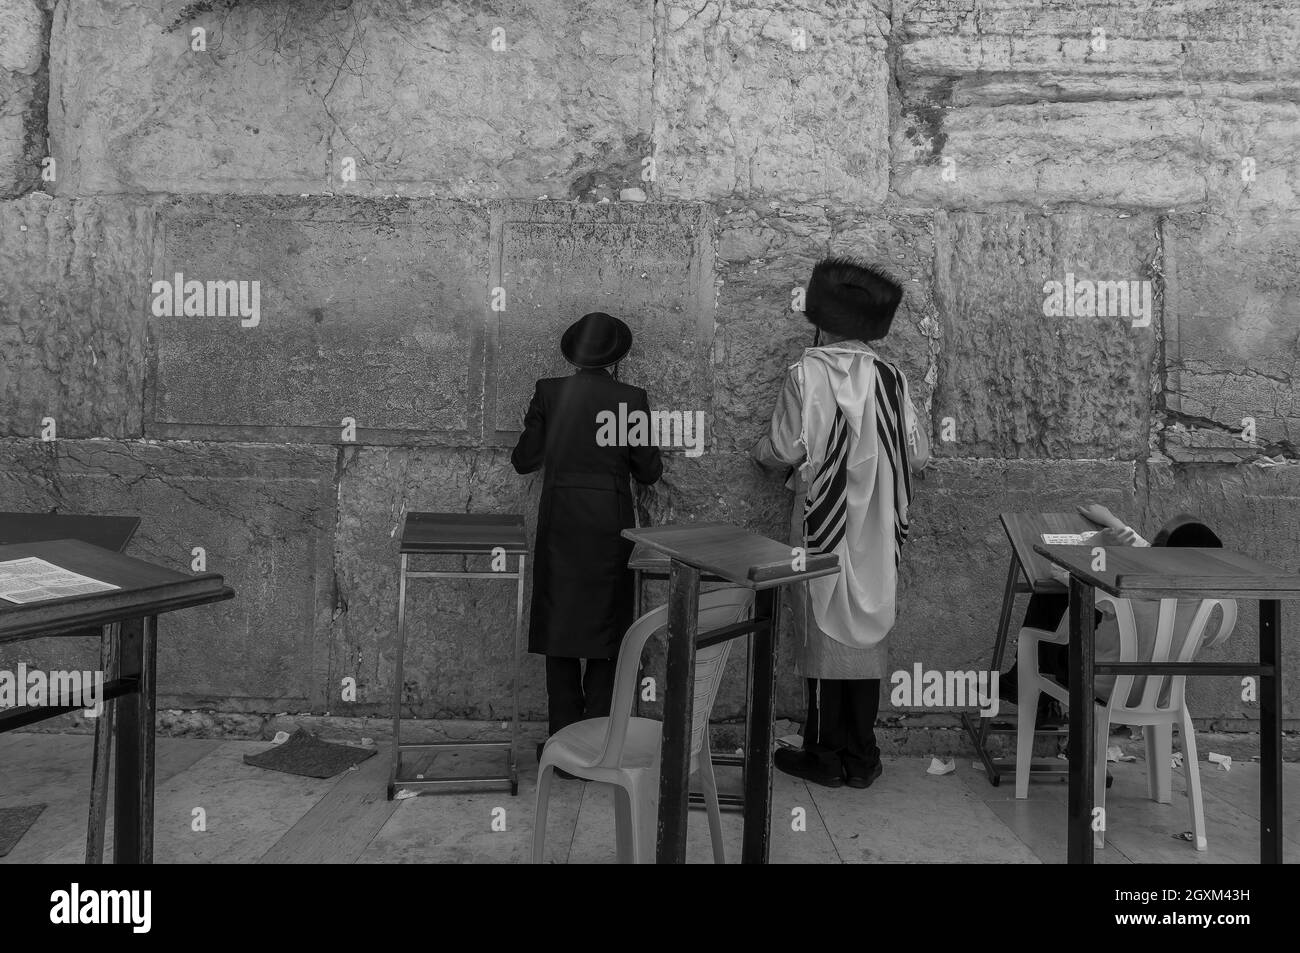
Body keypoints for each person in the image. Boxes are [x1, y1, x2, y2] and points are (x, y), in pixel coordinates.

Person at [751, 257, 930, 789]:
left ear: (823, 322)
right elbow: (918, 456)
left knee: (821, 623)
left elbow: (784, 448)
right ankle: (864, 754)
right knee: (868, 626)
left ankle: (825, 753)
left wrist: (758, 452)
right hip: (878, 523)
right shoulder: (892, 378)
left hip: (821, 520)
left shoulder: (805, 373)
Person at [511, 312, 663, 768]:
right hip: (608, 524)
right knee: (607, 628)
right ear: (617, 357)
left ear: (571, 353)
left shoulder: (550, 393)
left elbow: (524, 460)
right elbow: (649, 472)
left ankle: (561, 743)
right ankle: (599, 743)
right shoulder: (630, 399)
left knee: (560, 627)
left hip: (562, 523)